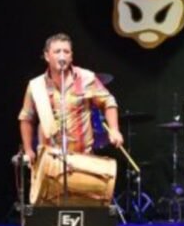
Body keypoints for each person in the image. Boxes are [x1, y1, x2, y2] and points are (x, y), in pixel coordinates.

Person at [18, 33, 123, 165]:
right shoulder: (36, 85)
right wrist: (28, 149)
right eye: (57, 51)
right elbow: (27, 118)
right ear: (47, 56)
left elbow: (109, 102)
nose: (62, 56)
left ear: (71, 56)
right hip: (50, 161)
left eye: (66, 52)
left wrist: (114, 129)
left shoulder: (86, 78)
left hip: (83, 158)